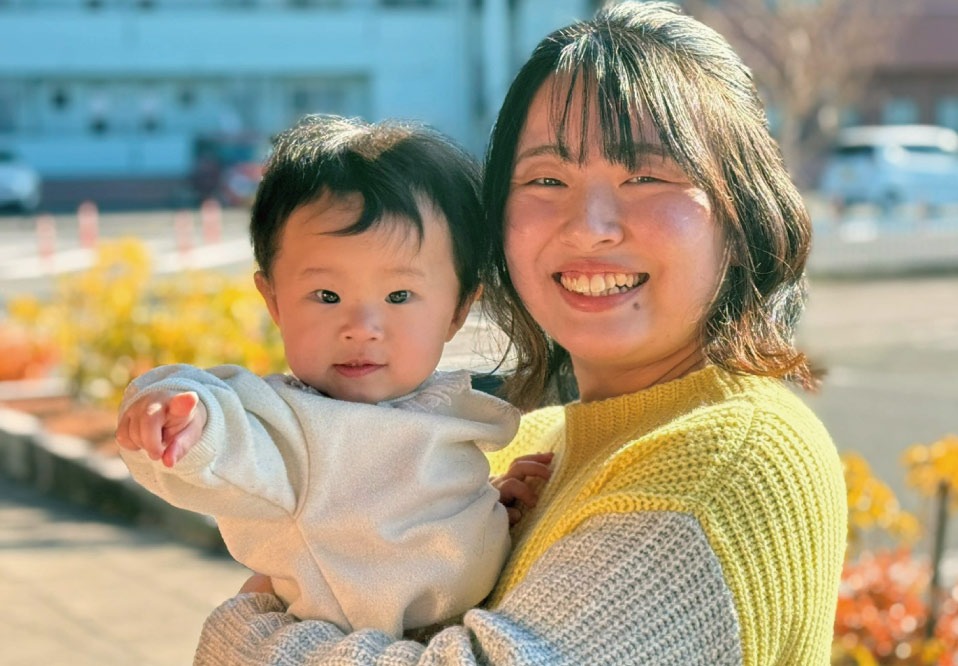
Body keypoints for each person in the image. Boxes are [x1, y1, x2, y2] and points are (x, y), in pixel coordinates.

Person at [192, 3, 848, 664]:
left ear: (741, 220)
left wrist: (241, 631)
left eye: (645, 175)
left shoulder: (732, 459)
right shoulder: (519, 451)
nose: (589, 225)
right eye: (545, 178)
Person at [115, 115, 552, 639]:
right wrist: (180, 420)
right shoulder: (291, 428)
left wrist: (487, 512)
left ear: (458, 309)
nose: (361, 329)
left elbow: (413, 519)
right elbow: (227, 431)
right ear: (273, 300)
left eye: (398, 297)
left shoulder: (439, 404)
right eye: (327, 297)